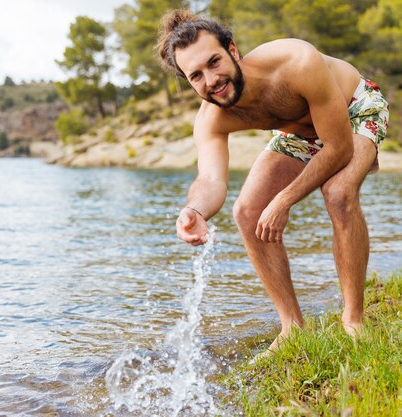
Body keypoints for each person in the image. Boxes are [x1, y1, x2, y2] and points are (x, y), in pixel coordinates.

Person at [156, 10, 389, 354]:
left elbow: (338, 149)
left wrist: (284, 200)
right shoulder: (211, 119)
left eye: (214, 62)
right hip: (299, 131)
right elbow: (210, 179)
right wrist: (194, 210)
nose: (211, 79)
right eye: (196, 75)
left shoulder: (295, 62)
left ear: (233, 50)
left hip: (355, 108)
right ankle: (292, 327)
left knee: (338, 193)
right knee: (247, 211)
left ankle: (353, 320)